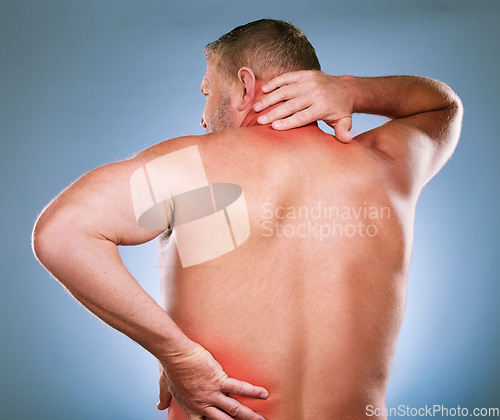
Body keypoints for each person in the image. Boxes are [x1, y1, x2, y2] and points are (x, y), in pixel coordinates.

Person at [32, 19, 463, 420]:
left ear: (243, 86)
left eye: (207, 92)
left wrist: (178, 355)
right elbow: (443, 107)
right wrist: (353, 90)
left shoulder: (192, 167)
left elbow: (62, 234)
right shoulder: (386, 165)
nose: (202, 116)